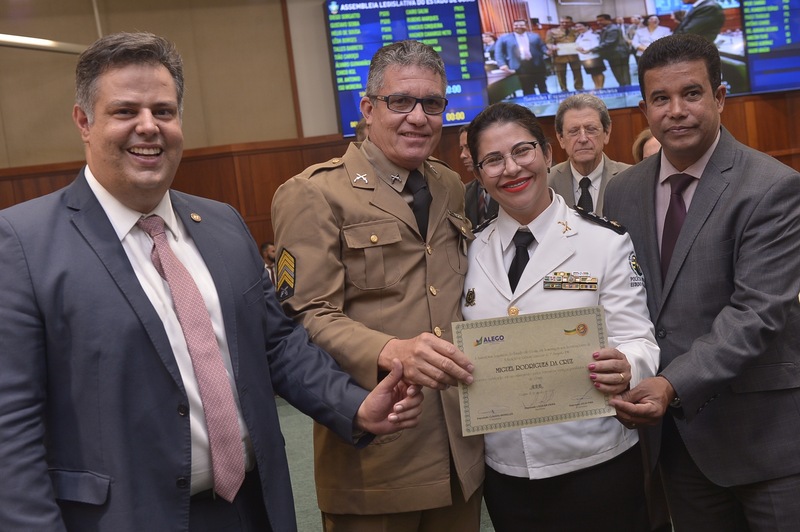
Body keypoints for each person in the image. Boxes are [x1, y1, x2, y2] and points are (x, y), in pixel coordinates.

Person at [0, 32, 425, 532]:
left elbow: (277, 344)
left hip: (252, 509)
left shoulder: (222, 224)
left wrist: (354, 405)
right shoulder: (23, 244)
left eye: (163, 111)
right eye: (125, 111)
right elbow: (11, 429)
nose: (148, 126)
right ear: (84, 122)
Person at [271, 40, 484, 532]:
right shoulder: (313, 193)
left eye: (432, 103)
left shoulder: (450, 185)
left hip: (459, 450)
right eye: (400, 101)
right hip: (376, 452)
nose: (418, 117)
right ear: (368, 110)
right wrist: (390, 350)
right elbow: (302, 316)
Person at [605, 33, 800, 530]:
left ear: (719, 97)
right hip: (677, 443)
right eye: (660, 98)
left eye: (691, 93)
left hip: (763, 440)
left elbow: (757, 313)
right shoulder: (622, 192)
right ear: (644, 109)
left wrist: (672, 383)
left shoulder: (772, 186)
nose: (676, 111)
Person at [464, 101, 659, 531]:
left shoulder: (604, 241)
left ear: (548, 154)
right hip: (507, 469)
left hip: (596, 461)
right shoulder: (467, 251)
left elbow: (639, 339)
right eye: (493, 160)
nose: (511, 169)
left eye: (522, 151)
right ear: (478, 175)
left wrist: (628, 365)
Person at [548, 93, 630, 215]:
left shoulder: (631, 179)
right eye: (573, 131)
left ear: (607, 133)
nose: (583, 139)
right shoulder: (546, 183)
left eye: (591, 129)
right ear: (561, 138)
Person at [495, 19, 550, 96]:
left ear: (526, 26)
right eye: (516, 25)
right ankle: (531, 101)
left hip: (536, 64)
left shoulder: (535, 36)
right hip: (519, 66)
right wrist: (502, 64)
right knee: (527, 88)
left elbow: (542, 47)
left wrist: (547, 51)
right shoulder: (504, 38)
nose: (518, 27)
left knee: (542, 86)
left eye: (521, 25)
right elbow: (498, 52)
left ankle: (546, 99)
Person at [461, 125, 498, 228]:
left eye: (468, 147)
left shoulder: (506, 184)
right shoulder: (464, 191)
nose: (462, 155)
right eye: (461, 148)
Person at [587, 14, 632, 87]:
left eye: (601, 20)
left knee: (621, 73)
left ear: (608, 20)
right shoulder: (609, 28)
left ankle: (626, 88)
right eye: (597, 20)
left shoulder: (612, 29)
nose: (598, 22)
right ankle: (625, 87)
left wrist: (591, 50)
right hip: (616, 54)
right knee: (621, 73)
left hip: (617, 54)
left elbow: (609, 42)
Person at [545, 16, 584, 92]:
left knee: (577, 72)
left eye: (567, 22)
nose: (564, 24)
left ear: (571, 22)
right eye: (562, 22)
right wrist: (552, 47)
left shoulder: (575, 30)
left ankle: (579, 87)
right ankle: (564, 89)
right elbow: (548, 43)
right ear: (559, 22)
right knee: (561, 74)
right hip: (559, 56)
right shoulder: (552, 31)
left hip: (574, 55)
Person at [574, 22, 606, 89]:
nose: (578, 28)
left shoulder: (593, 35)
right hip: (584, 58)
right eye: (576, 27)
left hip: (594, 57)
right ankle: (596, 86)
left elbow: (596, 46)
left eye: (580, 26)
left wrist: (587, 51)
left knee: (598, 72)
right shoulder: (580, 36)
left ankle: (601, 87)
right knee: (592, 73)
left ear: (587, 27)